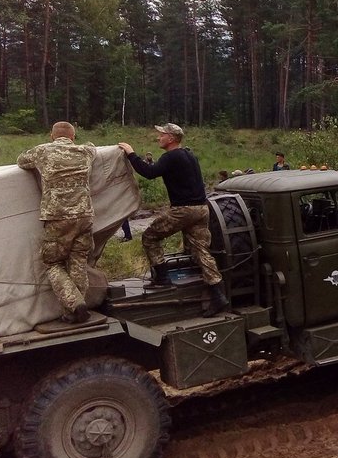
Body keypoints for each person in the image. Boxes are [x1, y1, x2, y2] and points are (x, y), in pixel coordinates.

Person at [118, 123, 228, 316]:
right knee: (201, 250)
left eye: (161, 134)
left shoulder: (171, 156)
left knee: (150, 237)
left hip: (183, 210)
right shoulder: (189, 155)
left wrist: (130, 153)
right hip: (201, 208)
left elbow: (149, 173)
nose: (158, 137)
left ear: (171, 138)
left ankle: (162, 277)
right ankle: (218, 294)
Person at [16, 121, 96, 323]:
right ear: (73, 137)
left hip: (57, 217)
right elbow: (94, 147)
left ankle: (75, 304)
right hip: (84, 215)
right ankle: (74, 311)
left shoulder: (43, 151)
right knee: (78, 260)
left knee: (52, 263)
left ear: (52, 136)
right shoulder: (85, 151)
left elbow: (21, 161)